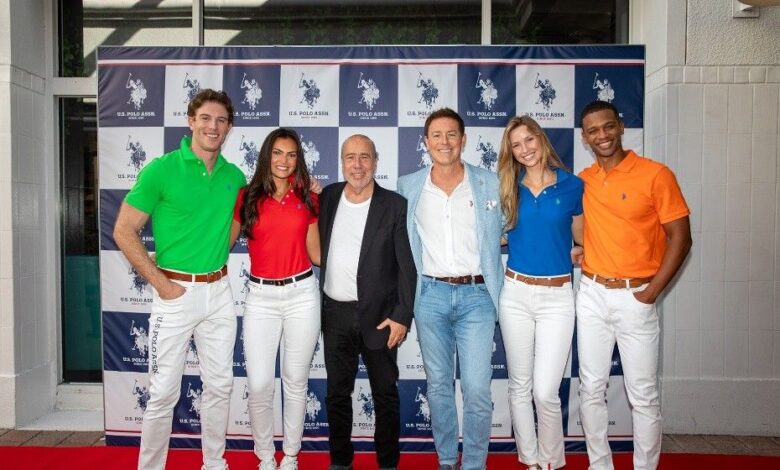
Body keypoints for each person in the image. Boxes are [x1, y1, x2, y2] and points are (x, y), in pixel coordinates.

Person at [113, 89, 245, 470]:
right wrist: (162, 284)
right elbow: (123, 229)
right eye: (205, 118)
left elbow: (234, 225)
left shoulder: (235, 177)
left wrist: (211, 257)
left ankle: (214, 463)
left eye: (221, 120)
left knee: (220, 386)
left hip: (219, 293)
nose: (213, 126)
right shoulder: (161, 169)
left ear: (229, 128)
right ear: (191, 121)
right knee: (162, 393)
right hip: (174, 294)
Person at [576, 100, 692, 470]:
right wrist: (580, 248)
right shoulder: (583, 180)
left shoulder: (656, 175)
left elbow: (681, 238)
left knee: (643, 394)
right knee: (590, 389)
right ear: (585, 138)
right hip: (592, 294)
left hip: (637, 297)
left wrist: (651, 292)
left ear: (621, 126)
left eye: (608, 126)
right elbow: (580, 228)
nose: (602, 136)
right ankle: (600, 465)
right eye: (593, 131)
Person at [397, 108, 504, 470]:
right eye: (437, 135)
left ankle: (473, 464)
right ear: (426, 142)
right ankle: (446, 460)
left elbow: (513, 227)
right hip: (430, 296)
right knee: (439, 385)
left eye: (452, 134)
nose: (444, 142)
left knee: (476, 388)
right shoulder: (408, 186)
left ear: (464, 140)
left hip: (478, 297)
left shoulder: (490, 182)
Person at [318, 134, 417, 470]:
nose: (357, 165)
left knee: (385, 395)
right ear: (342, 162)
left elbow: (407, 267)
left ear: (376, 161)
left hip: (381, 316)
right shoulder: (328, 197)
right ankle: (340, 460)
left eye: (364, 157)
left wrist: (402, 315)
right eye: (350, 157)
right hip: (335, 313)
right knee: (336, 393)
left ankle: (388, 462)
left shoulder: (395, 205)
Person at [497, 115, 583, 470]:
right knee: (519, 386)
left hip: (557, 297)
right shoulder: (506, 185)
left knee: (545, 391)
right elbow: (495, 235)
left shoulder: (573, 186)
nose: (525, 149)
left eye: (529, 140)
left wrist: (578, 251)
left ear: (541, 139)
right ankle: (530, 461)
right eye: (516, 145)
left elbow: (583, 240)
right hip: (515, 293)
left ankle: (551, 461)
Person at [233, 128, 321, 470]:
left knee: (296, 381)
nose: (284, 160)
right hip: (260, 298)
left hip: (302, 295)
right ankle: (266, 456)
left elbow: (317, 255)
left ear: (298, 160)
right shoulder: (246, 196)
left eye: (292, 154)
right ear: (267, 155)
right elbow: (221, 244)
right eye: (278, 153)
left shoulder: (309, 197)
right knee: (259, 384)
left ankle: (291, 456)